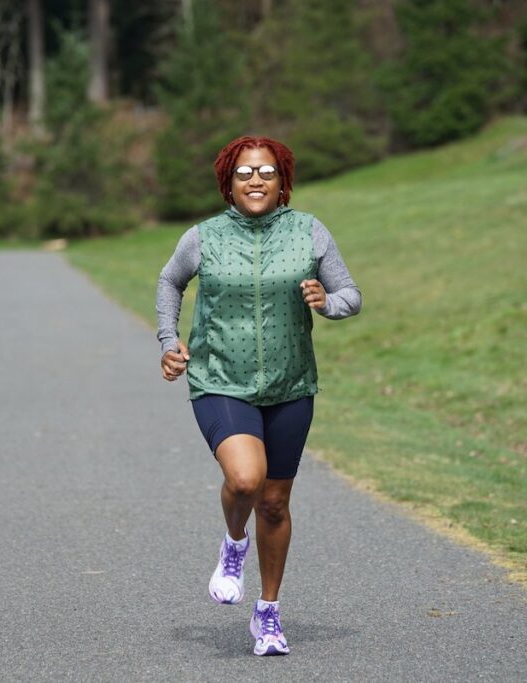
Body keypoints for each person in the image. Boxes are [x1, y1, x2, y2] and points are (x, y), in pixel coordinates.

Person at [155, 135, 362, 656]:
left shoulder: (309, 232)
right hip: (220, 377)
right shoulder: (202, 237)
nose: (256, 180)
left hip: (291, 386)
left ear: (282, 180)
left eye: (266, 172)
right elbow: (169, 281)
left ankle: (267, 614)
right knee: (245, 480)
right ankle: (233, 545)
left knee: (274, 503)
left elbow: (351, 295)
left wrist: (327, 301)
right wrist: (168, 339)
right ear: (229, 181)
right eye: (245, 172)